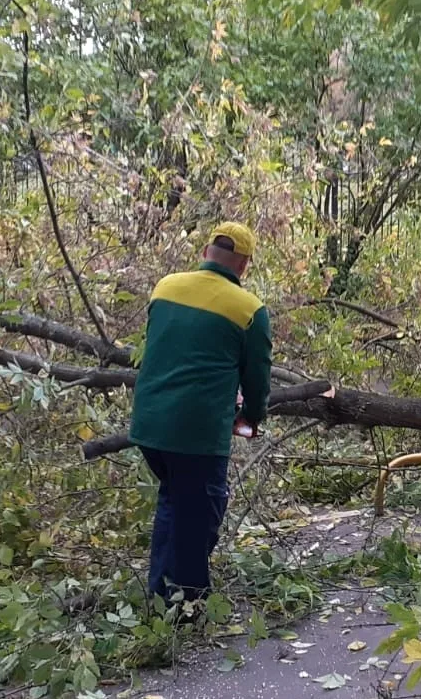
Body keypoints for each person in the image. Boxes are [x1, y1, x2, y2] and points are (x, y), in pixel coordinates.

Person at [129, 221, 272, 605]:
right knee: (201, 512)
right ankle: (187, 604)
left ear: (206, 252)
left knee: (175, 500)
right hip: (196, 432)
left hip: (149, 424)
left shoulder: (165, 288)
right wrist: (251, 418)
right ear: (243, 265)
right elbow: (257, 380)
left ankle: (160, 596)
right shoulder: (250, 310)